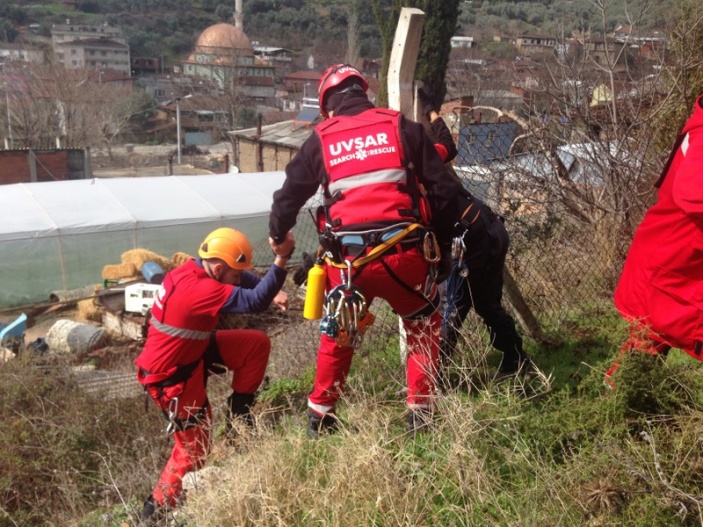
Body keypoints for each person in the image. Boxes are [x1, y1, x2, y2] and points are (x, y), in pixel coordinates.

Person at [269, 64, 465, 438]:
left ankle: (321, 417)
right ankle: (420, 417)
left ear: (327, 105)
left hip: (348, 267)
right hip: (407, 257)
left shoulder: (320, 140)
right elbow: (445, 193)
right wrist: (440, 251)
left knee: (340, 334)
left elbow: (287, 198)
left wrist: (278, 237)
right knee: (423, 326)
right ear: (364, 92)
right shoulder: (402, 128)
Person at [134, 227, 294, 524]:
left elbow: (242, 277)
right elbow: (254, 301)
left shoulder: (194, 269)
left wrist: (271, 288)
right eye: (234, 275)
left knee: (255, 345)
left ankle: (240, 418)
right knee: (194, 450)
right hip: (172, 378)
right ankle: (154, 513)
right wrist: (281, 259)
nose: (239, 279)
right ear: (218, 268)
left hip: (193, 353)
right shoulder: (200, 290)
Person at [417, 88, 534, 383]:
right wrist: (431, 111)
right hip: (490, 227)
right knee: (485, 303)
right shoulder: (428, 156)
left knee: (450, 309)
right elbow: (447, 143)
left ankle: (436, 380)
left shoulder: (403, 179)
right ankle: (515, 360)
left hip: (468, 241)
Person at [610, 94, 703, 385]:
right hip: (669, 265)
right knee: (648, 339)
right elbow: (693, 195)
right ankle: (620, 405)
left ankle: (623, 403)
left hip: (673, 260)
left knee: (647, 342)